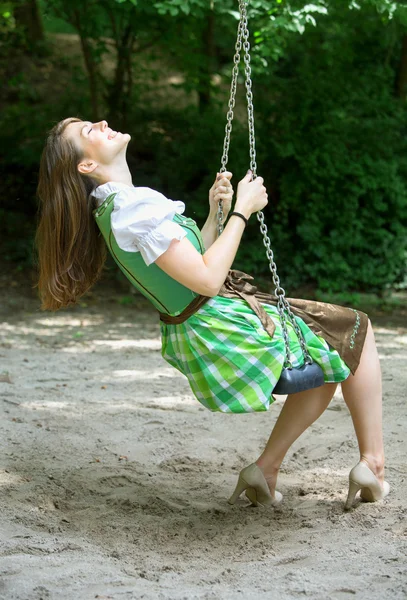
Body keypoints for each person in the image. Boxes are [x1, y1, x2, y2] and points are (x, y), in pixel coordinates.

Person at [35, 117, 390, 511]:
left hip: (206, 321)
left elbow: (187, 265)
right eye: (89, 131)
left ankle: (267, 471)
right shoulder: (133, 209)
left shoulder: (120, 206)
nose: (101, 123)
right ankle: (372, 463)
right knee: (356, 330)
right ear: (86, 166)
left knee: (327, 356)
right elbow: (206, 279)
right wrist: (242, 210)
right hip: (220, 323)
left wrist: (213, 214)